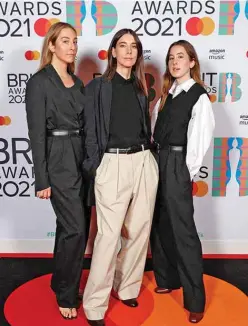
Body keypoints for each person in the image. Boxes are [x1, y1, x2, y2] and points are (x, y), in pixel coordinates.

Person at [82, 28, 159, 326]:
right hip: (111, 163)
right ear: (113, 51)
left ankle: (125, 287)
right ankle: (94, 305)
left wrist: (149, 159)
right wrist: (96, 166)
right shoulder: (98, 87)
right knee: (108, 236)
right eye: (122, 45)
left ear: (138, 53)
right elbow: (90, 131)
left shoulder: (141, 87)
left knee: (139, 231)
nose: (128, 51)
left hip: (142, 161)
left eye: (134, 46)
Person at [25, 22, 93, 319]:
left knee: (73, 228)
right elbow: (36, 133)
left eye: (75, 41)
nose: (72, 47)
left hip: (82, 158)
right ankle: (66, 294)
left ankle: (59, 282)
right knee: (76, 229)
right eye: (65, 41)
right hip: (58, 159)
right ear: (51, 45)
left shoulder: (77, 82)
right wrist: (42, 178)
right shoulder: (39, 82)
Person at [150, 40, 215, 324]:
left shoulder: (198, 96)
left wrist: (184, 173)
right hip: (157, 160)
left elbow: (200, 139)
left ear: (192, 62)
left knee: (184, 232)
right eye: (171, 58)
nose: (175, 62)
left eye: (181, 57)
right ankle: (167, 278)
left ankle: (195, 299)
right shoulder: (167, 94)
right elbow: (155, 130)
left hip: (177, 164)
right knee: (159, 222)